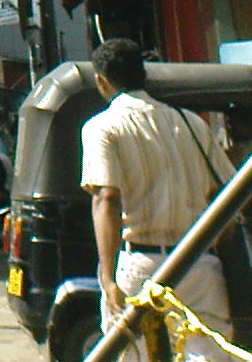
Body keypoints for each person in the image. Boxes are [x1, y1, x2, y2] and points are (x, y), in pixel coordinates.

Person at [83, 39, 234, 361]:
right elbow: (228, 193)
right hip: (199, 262)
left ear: (101, 80)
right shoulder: (193, 124)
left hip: (142, 265)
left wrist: (107, 278)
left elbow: (107, 198)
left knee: (136, 354)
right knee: (211, 356)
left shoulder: (102, 127)